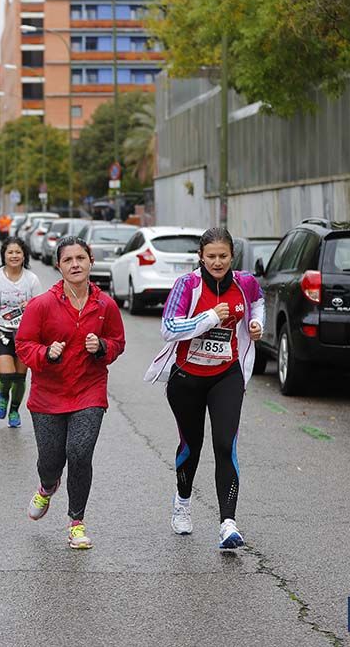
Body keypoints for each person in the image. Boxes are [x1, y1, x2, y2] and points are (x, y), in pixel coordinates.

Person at [144, 227, 264, 549]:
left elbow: (258, 302)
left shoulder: (245, 282)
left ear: (231, 256)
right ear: (200, 256)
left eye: (223, 256)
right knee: (191, 445)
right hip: (187, 379)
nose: (217, 262)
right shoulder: (188, 285)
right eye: (210, 256)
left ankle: (228, 524)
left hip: (227, 375)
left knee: (226, 445)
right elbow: (168, 328)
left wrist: (256, 324)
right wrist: (209, 317)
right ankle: (182, 502)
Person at [16, 237, 125, 550]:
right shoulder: (42, 305)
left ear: (90, 261)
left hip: (89, 391)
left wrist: (103, 347)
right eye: (68, 260)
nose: (75, 264)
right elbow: (24, 345)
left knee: (79, 453)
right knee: (50, 460)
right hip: (48, 394)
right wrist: (47, 353)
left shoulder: (105, 305)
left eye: (81, 258)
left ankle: (76, 521)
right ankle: (48, 485)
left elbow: (117, 341)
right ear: (58, 266)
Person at [0, 237, 42, 428]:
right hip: (0, 331)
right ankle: (3, 395)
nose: (14, 256)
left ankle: (14, 410)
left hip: (26, 334)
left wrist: (31, 305)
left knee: (20, 377)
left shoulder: (32, 279)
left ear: (24, 256)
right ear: (4, 255)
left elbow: (41, 308)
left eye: (18, 252)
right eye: (10, 252)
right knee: (7, 375)